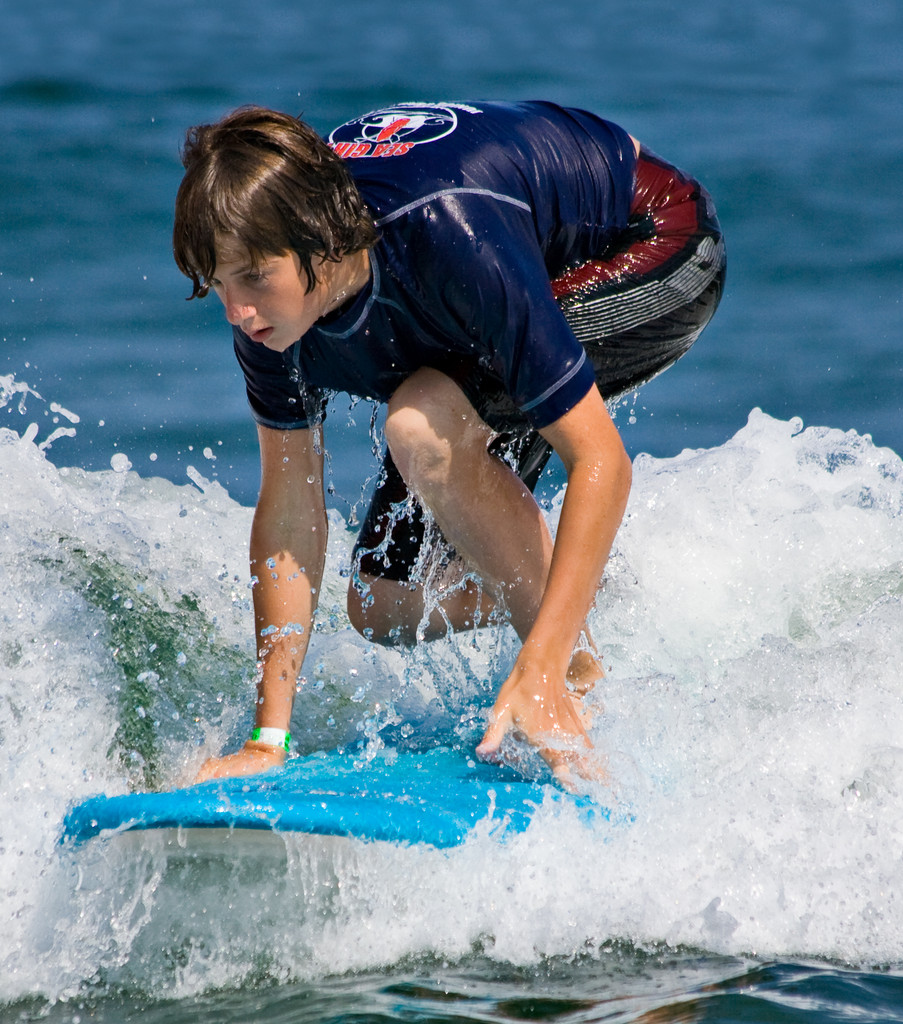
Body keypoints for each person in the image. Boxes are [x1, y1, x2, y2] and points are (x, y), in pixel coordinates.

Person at [172, 100, 725, 787]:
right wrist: (267, 739)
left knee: (419, 422)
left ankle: (570, 687)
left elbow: (600, 461)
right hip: (486, 282)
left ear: (322, 242)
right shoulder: (266, 319)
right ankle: (583, 591)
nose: (236, 310)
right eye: (215, 283)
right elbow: (289, 507)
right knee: (382, 605)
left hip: (649, 241)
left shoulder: (450, 238)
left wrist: (540, 662)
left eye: (253, 277)